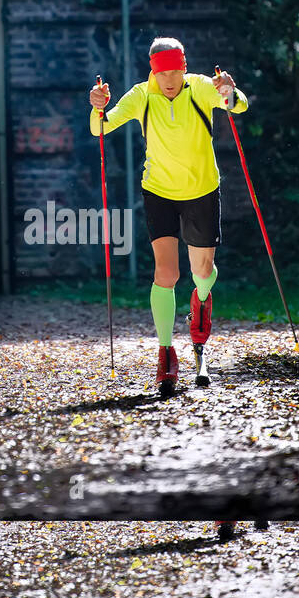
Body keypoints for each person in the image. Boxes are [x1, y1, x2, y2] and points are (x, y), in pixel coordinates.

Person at [87, 36, 249, 394]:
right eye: (163, 73)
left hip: (202, 189)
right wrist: (97, 106)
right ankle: (166, 353)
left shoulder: (203, 87)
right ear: (153, 73)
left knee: (202, 273)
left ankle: (201, 303)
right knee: (166, 271)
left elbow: (238, 106)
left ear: (185, 67)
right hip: (159, 190)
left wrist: (230, 91)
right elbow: (100, 127)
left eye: (175, 71)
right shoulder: (141, 95)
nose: (169, 80)